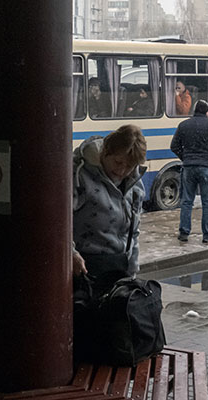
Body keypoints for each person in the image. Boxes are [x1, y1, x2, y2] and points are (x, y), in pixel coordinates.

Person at [71, 124, 147, 291]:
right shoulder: (79, 176)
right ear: (105, 151)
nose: (122, 170)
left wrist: (132, 271)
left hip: (118, 268)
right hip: (84, 270)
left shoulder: (134, 185)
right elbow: (57, 222)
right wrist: (71, 253)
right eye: (118, 162)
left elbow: (133, 232)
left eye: (129, 166)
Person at [172, 100, 208, 243]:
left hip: (189, 168)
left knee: (186, 201)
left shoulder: (184, 125)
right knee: (207, 202)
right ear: (207, 112)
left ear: (195, 110)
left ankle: (184, 233)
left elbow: (174, 146)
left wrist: (185, 157)